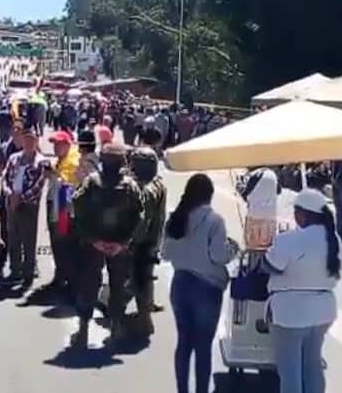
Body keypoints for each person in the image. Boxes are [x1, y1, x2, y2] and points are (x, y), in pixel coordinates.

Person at [261, 189, 341, 393]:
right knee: (313, 368)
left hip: (291, 314)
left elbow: (269, 265)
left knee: (290, 373)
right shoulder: (334, 239)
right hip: (322, 312)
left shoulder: (289, 239)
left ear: (303, 214)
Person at [162, 174, 234, 393]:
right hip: (206, 288)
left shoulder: (175, 219)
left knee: (184, 343)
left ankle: (181, 390)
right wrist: (233, 249)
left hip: (180, 285)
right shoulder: (214, 220)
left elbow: (165, 254)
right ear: (209, 196)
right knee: (203, 347)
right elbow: (218, 256)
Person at [70, 144, 145, 348]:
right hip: (119, 245)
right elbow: (139, 216)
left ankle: (83, 329)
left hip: (94, 244)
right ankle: (116, 327)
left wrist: (93, 239)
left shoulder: (91, 182)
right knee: (117, 286)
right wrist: (124, 242)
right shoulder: (130, 185)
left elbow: (76, 208)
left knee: (88, 285)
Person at [0, 126, 47, 288]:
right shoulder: (14, 158)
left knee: (28, 239)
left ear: (36, 141)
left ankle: (28, 272)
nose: (28, 143)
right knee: (13, 237)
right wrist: (9, 193)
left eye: (31, 140)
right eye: (25, 139)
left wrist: (21, 199)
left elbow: (39, 185)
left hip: (29, 205)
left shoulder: (41, 162)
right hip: (11, 201)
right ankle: (15, 270)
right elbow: (5, 178)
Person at [129, 146, 167, 337]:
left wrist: (130, 240)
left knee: (138, 279)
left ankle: (144, 321)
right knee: (146, 276)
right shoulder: (158, 183)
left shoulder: (146, 191)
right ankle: (147, 308)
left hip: (142, 242)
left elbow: (143, 221)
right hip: (153, 239)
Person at [43, 130, 80, 297]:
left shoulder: (72, 160)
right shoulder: (62, 159)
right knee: (57, 244)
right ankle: (60, 277)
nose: (56, 147)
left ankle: (69, 283)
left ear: (67, 144)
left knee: (64, 245)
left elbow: (67, 186)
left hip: (64, 209)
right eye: (54, 144)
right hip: (57, 206)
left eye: (59, 144)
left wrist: (52, 175)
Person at [0, 121, 23, 278]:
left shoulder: (29, 149)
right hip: (6, 194)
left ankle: (23, 265)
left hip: (25, 197)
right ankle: (0, 264)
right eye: (14, 129)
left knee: (23, 232)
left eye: (20, 130)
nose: (16, 132)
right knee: (5, 231)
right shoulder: (4, 148)